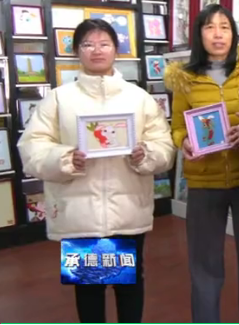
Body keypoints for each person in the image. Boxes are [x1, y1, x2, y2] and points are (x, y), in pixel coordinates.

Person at [17, 18, 175, 323]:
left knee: (129, 282)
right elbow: (32, 148)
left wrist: (146, 154)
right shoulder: (59, 99)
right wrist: (66, 159)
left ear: (116, 49)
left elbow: (164, 147)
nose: (97, 50)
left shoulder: (138, 98)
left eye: (104, 43)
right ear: (77, 51)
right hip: (79, 212)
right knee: (89, 286)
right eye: (88, 44)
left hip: (127, 209)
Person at [164, 4, 239, 323]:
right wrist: (184, 141)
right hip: (204, 183)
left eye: (224, 27)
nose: (218, 34)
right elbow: (178, 127)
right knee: (205, 267)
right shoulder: (184, 79)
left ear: (234, 34)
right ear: (199, 35)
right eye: (209, 27)